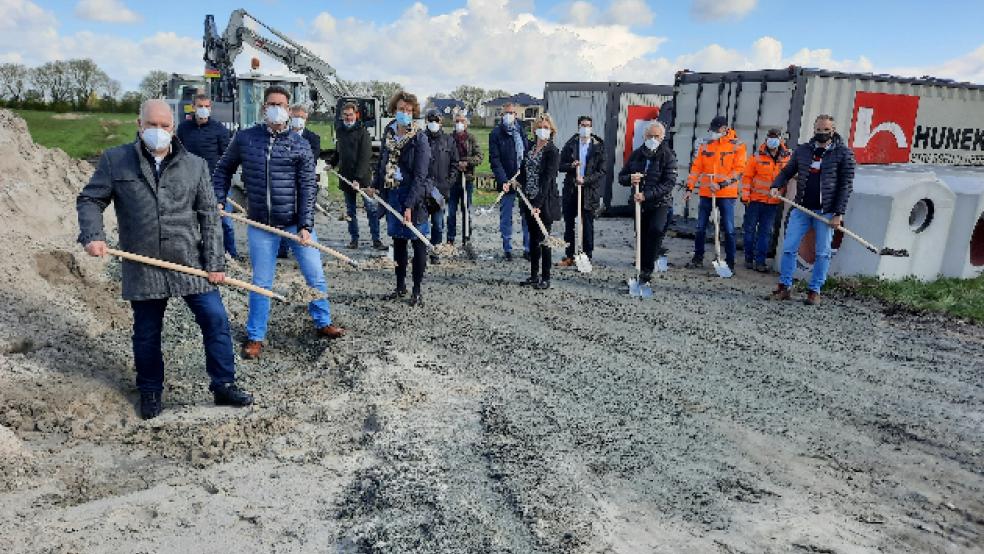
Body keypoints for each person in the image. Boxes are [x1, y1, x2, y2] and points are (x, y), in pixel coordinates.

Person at [77, 99, 253, 420]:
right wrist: (93, 235)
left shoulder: (195, 165)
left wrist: (215, 263)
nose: (158, 131)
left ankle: (224, 384)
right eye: (152, 125)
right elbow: (90, 199)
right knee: (147, 332)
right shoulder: (117, 160)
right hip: (143, 264)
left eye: (164, 126)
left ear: (173, 128)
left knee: (215, 320)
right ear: (139, 125)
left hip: (189, 261)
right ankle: (150, 390)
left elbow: (209, 217)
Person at [213, 86, 345, 360]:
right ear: (264, 108)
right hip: (262, 225)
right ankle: (255, 336)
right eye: (271, 104)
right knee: (261, 281)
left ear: (288, 109)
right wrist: (218, 199)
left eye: (281, 105)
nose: (276, 109)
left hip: (295, 223)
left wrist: (306, 225)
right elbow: (224, 169)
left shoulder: (299, 144)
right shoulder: (246, 139)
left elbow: (308, 186)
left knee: (315, 275)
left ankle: (323, 322)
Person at [769, 114, 855, 305]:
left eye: (826, 130)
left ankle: (814, 291)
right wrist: (776, 185)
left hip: (826, 212)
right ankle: (784, 287)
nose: (822, 133)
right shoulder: (803, 150)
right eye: (819, 130)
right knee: (789, 248)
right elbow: (787, 171)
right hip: (801, 208)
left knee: (823, 252)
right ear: (814, 130)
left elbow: (846, 186)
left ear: (833, 130)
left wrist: (838, 214)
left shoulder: (843, 154)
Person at [372, 90, 431, 307]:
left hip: (414, 196)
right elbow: (382, 163)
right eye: (400, 109)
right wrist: (375, 185)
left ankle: (417, 290)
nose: (404, 113)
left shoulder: (419, 138)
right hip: (393, 194)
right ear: (394, 110)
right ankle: (399, 286)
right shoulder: (388, 132)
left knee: (418, 242)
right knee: (398, 242)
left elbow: (421, 176)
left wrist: (409, 205)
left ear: (413, 112)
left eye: (408, 110)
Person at [683, 115, 747, 272]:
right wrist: (689, 188)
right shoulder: (706, 145)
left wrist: (721, 184)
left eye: (715, 130)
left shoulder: (737, 146)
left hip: (726, 194)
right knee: (700, 227)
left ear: (724, 129)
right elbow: (696, 168)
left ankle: (729, 263)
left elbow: (739, 170)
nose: (712, 133)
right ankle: (698, 258)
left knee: (729, 229)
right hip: (706, 193)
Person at [176, 94, 235, 259]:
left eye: (207, 106)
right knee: (191, 220)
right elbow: (179, 154)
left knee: (224, 221)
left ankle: (231, 253)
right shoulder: (184, 128)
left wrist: (224, 181)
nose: (203, 109)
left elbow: (227, 158)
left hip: (215, 183)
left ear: (210, 108)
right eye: (200, 106)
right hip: (190, 181)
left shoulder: (219, 129)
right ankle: (195, 253)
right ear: (193, 107)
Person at [618, 122, 677, 284]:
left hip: (660, 203)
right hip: (640, 205)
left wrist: (647, 195)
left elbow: (668, 183)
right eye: (650, 136)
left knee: (656, 231)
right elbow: (621, 177)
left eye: (656, 136)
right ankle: (641, 267)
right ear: (644, 136)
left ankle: (647, 269)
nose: (653, 139)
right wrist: (630, 178)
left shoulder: (668, 156)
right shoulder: (637, 154)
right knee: (642, 235)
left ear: (662, 137)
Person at [506, 113, 560, 289]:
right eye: (540, 127)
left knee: (544, 239)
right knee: (533, 239)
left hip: (543, 201)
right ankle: (534, 275)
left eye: (546, 128)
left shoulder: (552, 151)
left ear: (551, 130)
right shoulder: (530, 149)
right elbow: (523, 171)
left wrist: (538, 204)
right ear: (534, 129)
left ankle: (546, 277)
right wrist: (515, 181)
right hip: (528, 199)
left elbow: (547, 180)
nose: (543, 130)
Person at [332, 101, 384, 251]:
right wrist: (332, 163)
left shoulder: (363, 132)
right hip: (346, 178)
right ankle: (354, 239)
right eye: (345, 115)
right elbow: (339, 151)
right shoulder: (340, 131)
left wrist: (358, 179)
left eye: (350, 115)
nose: (348, 118)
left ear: (356, 115)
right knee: (350, 211)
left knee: (371, 210)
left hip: (363, 179)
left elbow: (365, 156)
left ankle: (376, 240)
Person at [275, 104, 323, 259]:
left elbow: (311, 160)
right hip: (286, 183)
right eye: (296, 117)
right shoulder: (282, 136)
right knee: (284, 215)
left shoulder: (313, 138)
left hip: (304, 183)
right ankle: (282, 248)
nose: (298, 120)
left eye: (301, 117)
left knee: (303, 215)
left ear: (306, 118)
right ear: (290, 116)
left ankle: (303, 246)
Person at [558, 115, 605, 266]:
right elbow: (560, 165)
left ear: (591, 127)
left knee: (587, 225)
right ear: (578, 127)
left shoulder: (598, 146)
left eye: (588, 125)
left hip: (589, 191)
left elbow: (602, 171)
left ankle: (586, 255)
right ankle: (569, 255)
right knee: (569, 225)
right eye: (583, 125)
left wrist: (585, 180)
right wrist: (571, 165)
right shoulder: (571, 144)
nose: (585, 128)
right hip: (571, 190)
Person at [741, 128, 790, 272]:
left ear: (780, 140)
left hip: (772, 203)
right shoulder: (757, 156)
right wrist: (745, 195)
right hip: (754, 201)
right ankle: (748, 259)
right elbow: (747, 177)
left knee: (765, 232)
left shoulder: (786, 158)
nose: (772, 140)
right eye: (770, 137)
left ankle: (760, 262)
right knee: (749, 230)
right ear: (766, 139)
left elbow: (789, 176)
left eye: (775, 137)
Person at [489, 102, 530, 261]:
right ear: (502, 115)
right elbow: (495, 159)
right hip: (506, 180)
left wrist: (523, 176)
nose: (509, 115)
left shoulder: (521, 131)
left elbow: (526, 153)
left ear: (516, 115)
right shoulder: (496, 134)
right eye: (506, 113)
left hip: (522, 179)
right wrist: (504, 180)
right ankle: (507, 248)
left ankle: (528, 248)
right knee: (506, 216)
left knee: (527, 215)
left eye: (512, 113)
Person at [423, 110, 459, 264]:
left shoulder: (448, 140)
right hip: (423, 190)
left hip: (441, 191)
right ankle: (422, 251)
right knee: (422, 224)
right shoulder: (421, 138)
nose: (433, 123)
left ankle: (435, 252)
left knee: (438, 225)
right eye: (431, 120)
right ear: (426, 121)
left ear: (441, 122)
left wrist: (449, 182)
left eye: (436, 120)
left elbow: (454, 164)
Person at [448, 113, 482, 247]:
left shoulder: (471, 138)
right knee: (451, 212)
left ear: (466, 123)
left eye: (462, 121)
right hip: (452, 180)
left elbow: (479, 157)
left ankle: (466, 238)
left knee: (466, 211)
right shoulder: (449, 138)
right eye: (457, 121)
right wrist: (457, 164)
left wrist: (466, 162)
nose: (459, 124)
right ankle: (450, 239)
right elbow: (446, 157)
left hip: (467, 180)